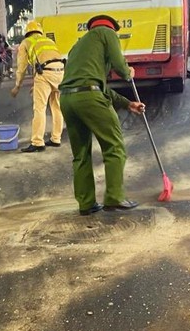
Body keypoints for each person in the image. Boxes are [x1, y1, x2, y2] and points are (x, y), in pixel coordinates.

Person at [58, 15, 145, 215]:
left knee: (80, 154)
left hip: (67, 100)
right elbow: (119, 65)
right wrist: (128, 72)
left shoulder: (77, 47)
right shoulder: (107, 33)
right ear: (112, 28)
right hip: (89, 98)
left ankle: (86, 203)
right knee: (114, 146)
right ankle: (114, 197)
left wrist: (127, 103)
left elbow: (97, 85)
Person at [10, 20, 65, 153]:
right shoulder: (48, 41)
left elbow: (22, 67)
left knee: (39, 108)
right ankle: (56, 138)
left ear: (27, 32)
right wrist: (36, 84)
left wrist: (17, 86)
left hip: (45, 72)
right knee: (56, 106)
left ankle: (37, 142)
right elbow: (46, 61)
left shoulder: (26, 42)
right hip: (60, 71)